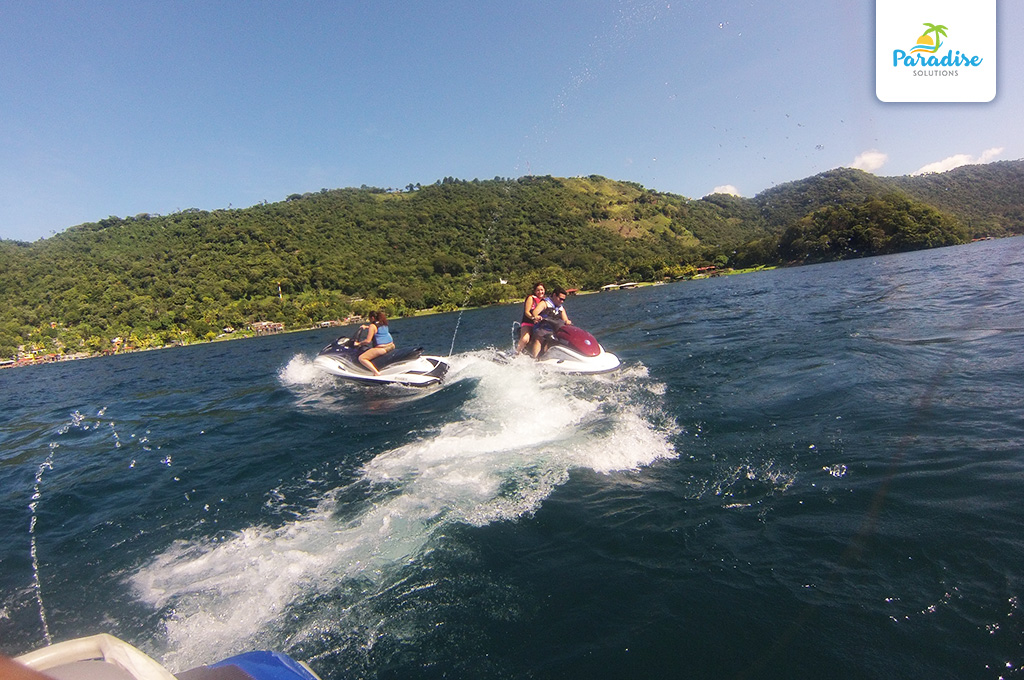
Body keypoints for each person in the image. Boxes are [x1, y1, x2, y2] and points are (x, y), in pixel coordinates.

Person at [528, 287, 571, 358]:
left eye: (564, 300)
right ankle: (534, 358)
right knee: (539, 337)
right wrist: (536, 316)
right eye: (560, 299)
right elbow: (535, 312)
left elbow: (565, 319)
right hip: (542, 326)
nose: (562, 301)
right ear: (554, 295)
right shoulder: (545, 303)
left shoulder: (561, 308)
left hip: (554, 329)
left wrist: (567, 321)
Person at [356, 310, 395, 376]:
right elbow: (377, 329)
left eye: (369, 318)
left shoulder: (372, 326)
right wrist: (366, 327)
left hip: (382, 349)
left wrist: (358, 344)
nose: (369, 320)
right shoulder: (383, 323)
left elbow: (367, 341)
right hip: (391, 346)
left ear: (373, 318)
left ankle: (376, 372)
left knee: (362, 358)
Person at [515, 282, 546, 354]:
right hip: (528, 322)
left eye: (542, 290)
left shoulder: (545, 301)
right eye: (538, 290)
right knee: (525, 338)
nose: (540, 292)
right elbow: (527, 312)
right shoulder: (531, 298)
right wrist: (533, 318)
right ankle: (516, 353)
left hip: (539, 325)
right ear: (535, 291)